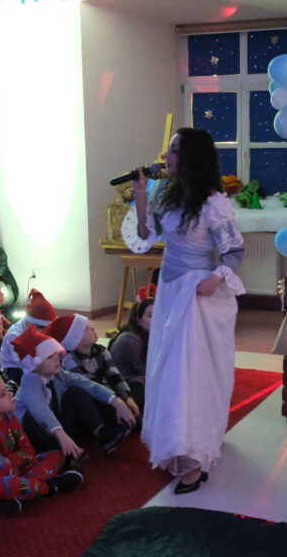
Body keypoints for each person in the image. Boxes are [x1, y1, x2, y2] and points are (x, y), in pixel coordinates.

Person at [127, 127, 245, 493]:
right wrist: (141, 196)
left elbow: (234, 251)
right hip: (169, 290)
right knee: (167, 367)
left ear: (191, 157)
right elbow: (146, 236)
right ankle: (175, 442)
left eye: (174, 150)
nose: (166, 156)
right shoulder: (167, 193)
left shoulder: (213, 202)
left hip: (196, 295)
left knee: (188, 372)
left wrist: (215, 278)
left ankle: (193, 455)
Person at [0, 372, 84, 517]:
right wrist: (16, 466)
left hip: (13, 469)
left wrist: (11, 461)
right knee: (10, 485)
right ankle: (52, 486)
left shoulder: (9, 416)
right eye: (3, 394)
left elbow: (28, 451)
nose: (10, 394)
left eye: (7, 389)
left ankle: (18, 494)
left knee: (57, 455)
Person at [12, 325, 134, 457]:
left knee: (75, 392)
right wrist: (61, 435)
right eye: (49, 357)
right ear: (34, 366)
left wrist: (115, 400)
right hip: (34, 434)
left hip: (54, 425)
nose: (57, 359)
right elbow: (39, 408)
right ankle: (56, 452)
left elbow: (86, 383)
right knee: (32, 415)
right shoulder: (30, 379)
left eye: (56, 354)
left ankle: (102, 434)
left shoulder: (58, 374)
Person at [49, 313, 140, 421]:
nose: (93, 328)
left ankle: (129, 417)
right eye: (86, 329)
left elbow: (114, 375)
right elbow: (89, 386)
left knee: (136, 385)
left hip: (107, 393)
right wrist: (115, 399)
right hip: (94, 398)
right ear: (77, 341)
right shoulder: (69, 360)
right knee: (86, 399)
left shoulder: (100, 350)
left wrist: (127, 397)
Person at [108, 291, 153, 412]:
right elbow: (144, 370)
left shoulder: (147, 334)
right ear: (138, 320)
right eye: (150, 315)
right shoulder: (131, 339)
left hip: (135, 379)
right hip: (123, 383)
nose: (156, 319)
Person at [0, 289, 56, 383]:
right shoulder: (14, 335)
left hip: (34, 361)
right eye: (41, 327)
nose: (44, 331)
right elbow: (26, 364)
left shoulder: (34, 328)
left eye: (47, 328)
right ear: (30, 321)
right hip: (14, 368)